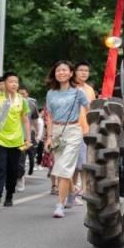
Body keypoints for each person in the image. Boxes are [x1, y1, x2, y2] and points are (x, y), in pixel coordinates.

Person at [44, 60, 89, 218]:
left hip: (73, 131)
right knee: (63, 167)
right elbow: (49, 116)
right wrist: (49, 137)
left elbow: (90, 109)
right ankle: (72, 191)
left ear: (71, 73)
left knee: (63, 168)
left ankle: (59, 205)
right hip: (57, 132)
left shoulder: (78, 92)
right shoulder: (51, 93)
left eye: (64, 70)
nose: (61, 73)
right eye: (58, 70)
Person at [0, 72, 31, 209]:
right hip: (0, 139)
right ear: (5, 84)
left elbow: (25, 121)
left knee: (12, 170)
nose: (14, 84)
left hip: (16, 140)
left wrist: (28, 138)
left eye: (16, 82)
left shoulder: (22, 100)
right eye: (11, 81)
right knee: (0, 167)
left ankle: (9, 195)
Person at [71, 61, 96, 205]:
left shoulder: (89, 90)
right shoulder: (70, 88)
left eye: (86, 71)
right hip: (72, 129)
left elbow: (91, 110)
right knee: (73, 165)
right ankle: (72, 192)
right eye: (81, 70)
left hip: (86, 130)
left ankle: (84, 190)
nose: (84, 73)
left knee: (84, 163)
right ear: (74, 72)